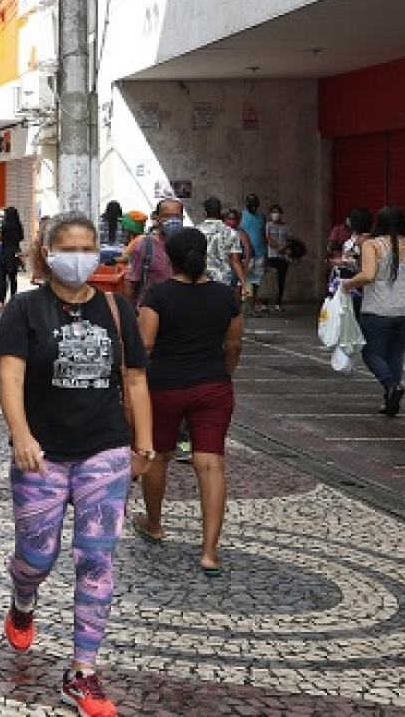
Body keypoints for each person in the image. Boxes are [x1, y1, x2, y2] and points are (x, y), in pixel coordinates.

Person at [0, 212, 153, 717]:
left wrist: (143, 447)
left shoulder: (118, 309)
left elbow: (135, 382)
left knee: (96, 559)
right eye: (70, 247)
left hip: (104, 450)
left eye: (89, 247)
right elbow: (11, 379)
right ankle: (22, 599)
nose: (80, 256)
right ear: (47, 252)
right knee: (37, 558)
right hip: (41, 454)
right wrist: (21, 435)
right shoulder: (24, 309)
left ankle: (82, 673)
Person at [134, 228, 243, 576]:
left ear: (170, 258)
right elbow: (234, 345)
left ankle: (154, 524)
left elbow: (146, 344)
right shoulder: (226, 296)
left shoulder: (158, 295)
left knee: (158, 455)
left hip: (163, 386)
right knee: (211, 465)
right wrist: (224, 373)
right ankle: (209, 552)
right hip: (212, 386)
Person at [338, 206, 405, 416]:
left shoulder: (372, 245)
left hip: (379, 308)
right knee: (395, 353)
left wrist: (346, 285)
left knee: (370, 352)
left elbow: (368, 275)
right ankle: (390, 401)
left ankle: (391, 386)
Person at [122, 199, 182, 310]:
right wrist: (129, 316)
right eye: (167, 216)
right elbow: (130, 283)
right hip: (149, 312)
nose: (172, 221)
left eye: (177, 216)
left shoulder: (186, 245)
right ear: (157, 218)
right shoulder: (144, 246)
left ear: (182, 218)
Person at [196, 197, 247, 289]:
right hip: (224, 281)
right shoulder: (231, 232)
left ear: (205, 211)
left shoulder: (196, 231)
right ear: (220, 210)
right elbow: (235, 261)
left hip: (201, 280)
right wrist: (243, 283)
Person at [261, 204, 291, 312]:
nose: (276, 215)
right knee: (268, 281)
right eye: (273, 212)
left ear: (281, 214)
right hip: (271, 256)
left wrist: (284, 248)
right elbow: (267, 238)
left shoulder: (286, 227)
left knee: (281, 280)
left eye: (277, 212)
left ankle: (278, 303)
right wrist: (278, 247)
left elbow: (289, 239)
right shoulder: (267, 225)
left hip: (283, 258)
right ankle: (265, 303)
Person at [238, 194, 267, 309]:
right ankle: (243, 304)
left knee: (256, 280)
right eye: (251, 204)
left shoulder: (261, 217)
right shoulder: (241, 215)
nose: (253, 207)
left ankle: (252, 304)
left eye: (255, 204)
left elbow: (264, 235)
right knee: (244, 279)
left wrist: (266, 255)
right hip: (246, 254)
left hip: (259, 253)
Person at [0, 206, 25, 305]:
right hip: (15, 252)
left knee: (2, 276)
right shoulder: (19, 226)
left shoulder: (5, 226)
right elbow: (21, 238)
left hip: (5, 252)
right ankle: (13, 297)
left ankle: (1, 299)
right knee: (13, 277)